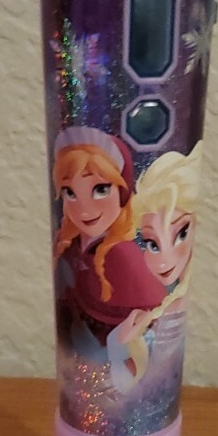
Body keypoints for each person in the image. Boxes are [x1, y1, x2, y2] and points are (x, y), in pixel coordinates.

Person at [51, 127, 166, 360]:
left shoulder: (124, 256)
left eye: (101, 189)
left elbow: (154, 323)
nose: (84, 209)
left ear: (122, 191)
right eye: (70, 192)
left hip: (116, 364)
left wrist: (121, 345)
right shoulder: (70, 244)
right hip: (76, 362)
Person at [108, 142, 203, 392]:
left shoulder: (173, 309)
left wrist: (121, 346)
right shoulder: (167, 306)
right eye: (152, 243)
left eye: (181, 233)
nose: (164, 260)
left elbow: (151, 389)